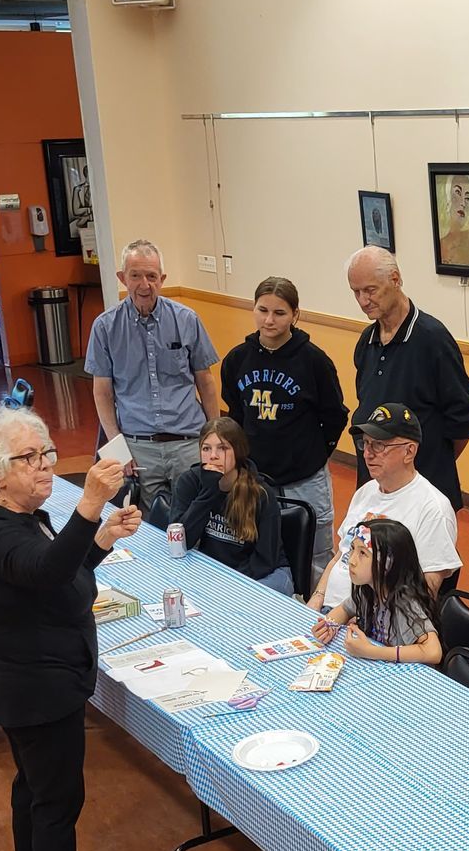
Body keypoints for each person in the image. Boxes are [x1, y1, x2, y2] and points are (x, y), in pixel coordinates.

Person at [0, 413, 142, 851]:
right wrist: (88, 505)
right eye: (29, 458)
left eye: (46, 455)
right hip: (37, 688)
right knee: (57, 800)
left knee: (33, 792)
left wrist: (99, 537)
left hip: (31, 682)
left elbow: (58, 575)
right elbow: (44, 571)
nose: (43, 468)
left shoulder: (18, 520)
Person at [220, 276, 347, 576]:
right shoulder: (237, 359)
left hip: (305, 478)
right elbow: (236, 415)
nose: (269, 320)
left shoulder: (314, 361)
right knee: (256, 546)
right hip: (255, 477)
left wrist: (314, 454)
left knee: (315, 555)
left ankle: (317, 615)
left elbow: (334, 416)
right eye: (262, 310)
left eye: (279, 313)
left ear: (295, 315)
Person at [85, 238, 221, 511]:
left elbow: (205, 381)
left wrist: (215, 437)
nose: (144, 285)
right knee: (145, 526)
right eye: (135, 276)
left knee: (198, 518)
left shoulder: (186, 319)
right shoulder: (105, 327)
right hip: (138, 448)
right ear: (122, 278)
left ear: (162, 279)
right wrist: (116, 450)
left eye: (152, 276)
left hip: (187, 442)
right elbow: (102, 392)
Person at [346, 246, 469, 510]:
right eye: (355, 292)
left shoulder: (433, 339)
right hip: (376, 491)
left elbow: (463, 419)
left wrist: (428, 465)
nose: (363, 301)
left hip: (422, 494)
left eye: (370, 290)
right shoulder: (366, 342)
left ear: (395, 280)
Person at [309, 402, 461, 612]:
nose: (368, 454)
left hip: (371, 627)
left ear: (409, 452)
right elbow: (340, 556)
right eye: (366, 443)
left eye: (379, 445)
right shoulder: (366, 492)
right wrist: (316, 600)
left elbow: (426, 594)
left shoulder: (433, 509)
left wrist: (361, 622)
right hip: (328, 613)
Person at [168, 418, 292, 593]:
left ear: (238, 452)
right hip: (216, 569)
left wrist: (227, 583)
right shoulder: (190, 482)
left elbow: (265, 560)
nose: (213, 456)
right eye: (206, 448)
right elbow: (180, 543)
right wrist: (209, 492)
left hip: (264, 574)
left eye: (223, 448)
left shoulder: (261, 493)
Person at [310, 519, 443, 665]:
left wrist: (371, 651)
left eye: (362, 553)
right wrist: (330, 626)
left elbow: (433, 652)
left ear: (388, 564)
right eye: (352, 549)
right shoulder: (367, 590)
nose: (351, 561)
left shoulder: (404, 603)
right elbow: (344, 609)